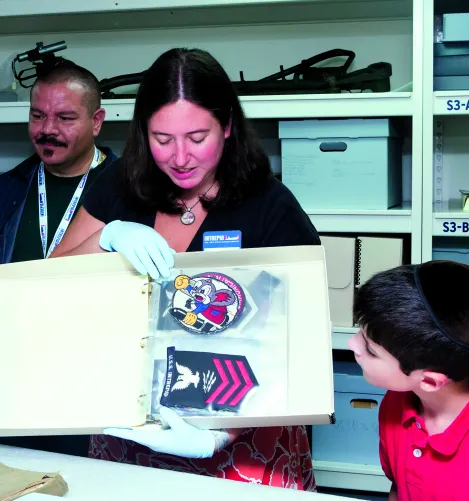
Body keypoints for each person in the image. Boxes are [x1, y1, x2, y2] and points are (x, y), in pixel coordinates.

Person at [51, 48, 320, 489]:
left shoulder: (270, 206)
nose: (180, 157)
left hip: (241, 443)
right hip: (129, 433)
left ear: (228, 125)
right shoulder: (118, 188)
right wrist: (106, 239)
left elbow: (297, 345)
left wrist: (219, 436)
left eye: (197, 138)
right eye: (162, 139)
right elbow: (50, 284)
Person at [0, 61, 118, 455]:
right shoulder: (3, 193)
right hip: (11, 396)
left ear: (96, 121)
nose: (47, 129)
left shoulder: (130, 191)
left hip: (96, 402)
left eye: (64, 117)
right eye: (37, 115)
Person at [349, 260, 469, 501]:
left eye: (370, 349)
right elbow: (398, 488)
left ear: (430, 382)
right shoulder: (397, 403)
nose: (352, 345)